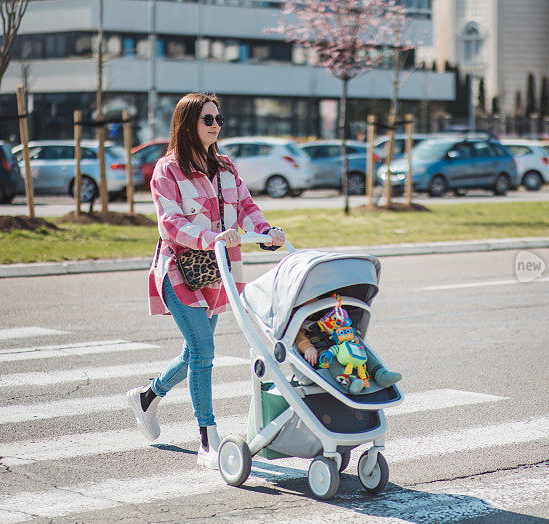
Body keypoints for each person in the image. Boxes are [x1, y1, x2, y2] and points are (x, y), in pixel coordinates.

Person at [126, 92, 284, 470]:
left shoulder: (225, 166)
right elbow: (170, 223)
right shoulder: (168, 170)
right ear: (188, 124)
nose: (216, 125)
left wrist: (266, 231)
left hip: (217, 272)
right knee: (203, 349)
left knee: (197, 350)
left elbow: (246, 206)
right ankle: (207, 439)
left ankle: (147, 396)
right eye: (207, 119)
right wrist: (209, 237)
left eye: (218, 119)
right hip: (180, 269)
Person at [294, 298, 401, 390]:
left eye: (314, 299)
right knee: (332, 361)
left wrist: (352, 335)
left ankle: (381, 374)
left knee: (362, 350)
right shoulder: (298, 320)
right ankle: (350, 383)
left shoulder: (327, 310)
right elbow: (298, 337)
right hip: (320, 349)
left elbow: (343, 324)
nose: (311, 302)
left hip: (342, 342)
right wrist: (307, 347)